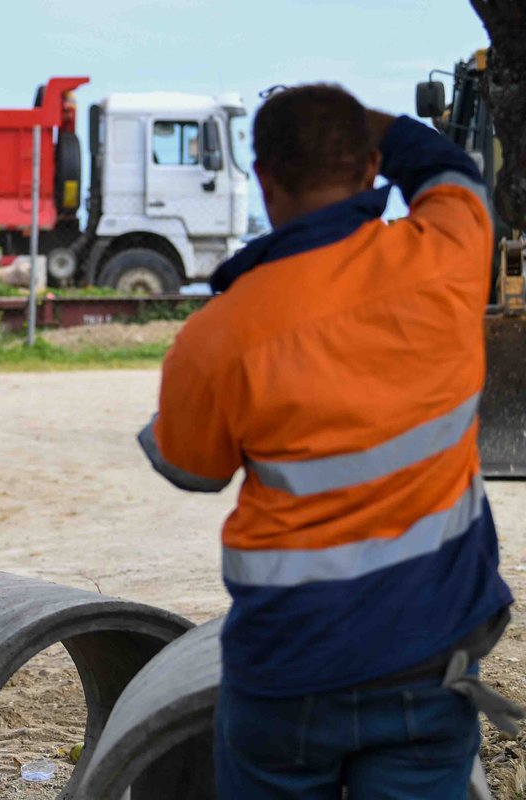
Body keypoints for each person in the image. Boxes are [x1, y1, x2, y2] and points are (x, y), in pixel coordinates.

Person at [138, 84, 517, 799]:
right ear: (372, 166)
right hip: (427, 657)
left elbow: (191, 468)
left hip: (288, 668)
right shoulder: (448, 257)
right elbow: (452, 173)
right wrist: (374, 127)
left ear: (264, 180)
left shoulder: (217, 336)